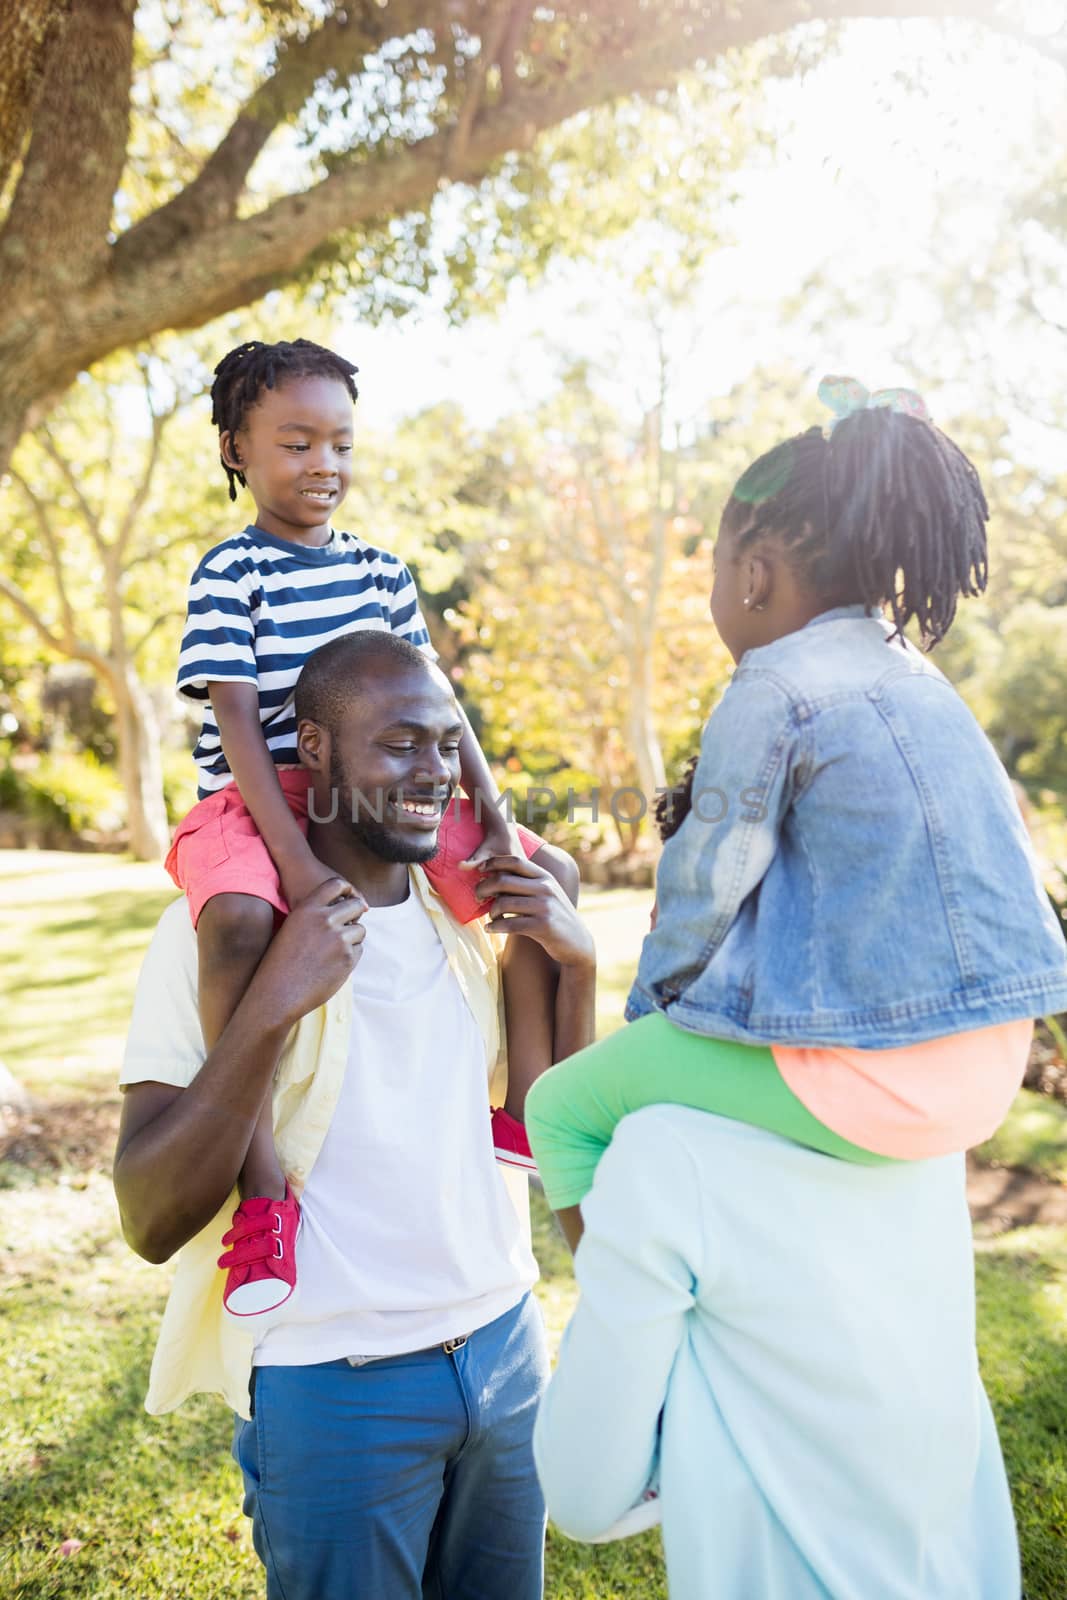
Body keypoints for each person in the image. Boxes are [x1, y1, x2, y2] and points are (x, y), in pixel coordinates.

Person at [525, 377, 1067, 1255]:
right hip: (989, 1065)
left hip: (877, 1077)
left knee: (563, 1106)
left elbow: (707, 879)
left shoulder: (773, 684)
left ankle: (627, 1306)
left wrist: (649, 1021)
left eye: (711, 568)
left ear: (752, 573)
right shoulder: (920, 676)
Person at [114, 631, 596, 1600]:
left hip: (503, 1354)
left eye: (443, 742)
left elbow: (553, 1129)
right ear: (318, 751)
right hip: (335, 1384)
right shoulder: (215, 936)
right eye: (396, 743)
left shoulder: (461, 923)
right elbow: (150, 1216)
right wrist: (270, 1007)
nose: (431, 772)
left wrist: (576, 965)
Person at [168, 338, 577, 1314]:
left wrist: (496, 819)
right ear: (236, 450)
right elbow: (234, 724)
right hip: (263, 796)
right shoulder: (229, 573)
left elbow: (440, 709)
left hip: (378, 790)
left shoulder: (384, 571)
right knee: (234, 923)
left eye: (340, 445)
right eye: (296, 443)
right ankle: (263, 1193)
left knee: (542, 874)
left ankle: (515, 1106)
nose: (324, 466)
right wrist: (295, 866)